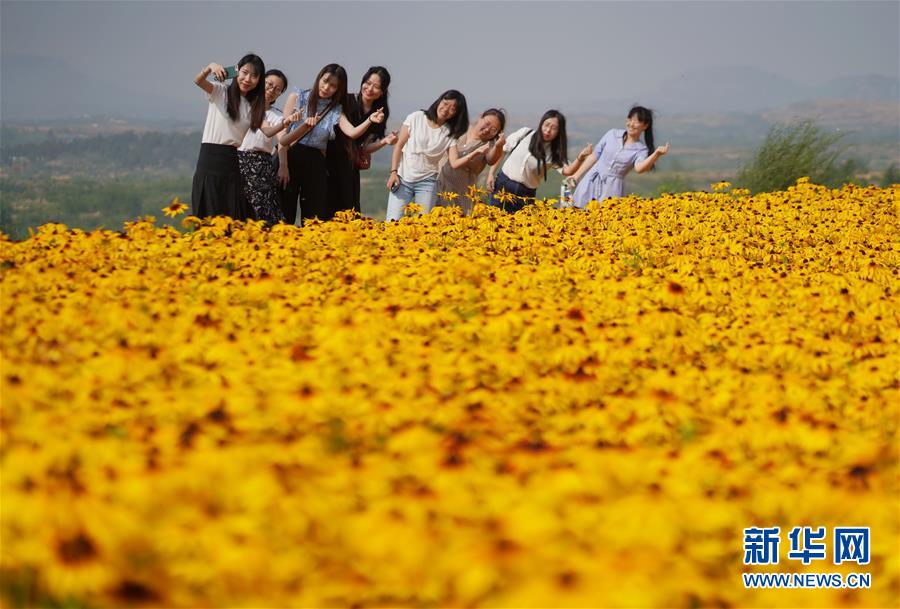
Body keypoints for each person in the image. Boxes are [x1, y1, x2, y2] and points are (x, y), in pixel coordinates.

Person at [278, 64, 385, 225]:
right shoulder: (297, 97)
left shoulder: (335, 109)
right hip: (290, 158)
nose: (326, 87)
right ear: (319, 78)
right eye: (325, 81)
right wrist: (283, 164)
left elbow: (352, 132)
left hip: (316, 163)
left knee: (313, 217)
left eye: (333, 85)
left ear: (338, 89)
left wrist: (370, 120)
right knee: (284, 214)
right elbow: (283, 137)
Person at [191, 54, 268, 220]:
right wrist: (211, 66)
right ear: (237, 71)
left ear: (259, 80)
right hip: (209, 158)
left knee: (232, 216)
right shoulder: (221, 91)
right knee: (207, 215)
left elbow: (269, 131)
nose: (248, 79)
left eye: (254, 76)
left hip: (232, 161)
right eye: (245, 72)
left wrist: (288, 123)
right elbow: (198, 81)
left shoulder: (253, 106)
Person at [385, 90, 469, 221]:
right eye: (445, 103)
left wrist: (476, 153)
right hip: (402, 178)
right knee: (392, 221)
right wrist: (393, 172)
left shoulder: (450, 134)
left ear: (456, 114)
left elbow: (454, 163)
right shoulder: (416, 117)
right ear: (440, 100)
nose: (446, 109)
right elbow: (399, 145)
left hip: (427, 182)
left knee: (423, 224)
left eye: (452, 109)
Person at [486, 110, 592, 213]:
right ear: (541, 123)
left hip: (524, 195)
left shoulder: (554, 153)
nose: (548, 130)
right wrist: (491, 173)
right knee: (493, 221)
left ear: (559, 132)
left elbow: (568, 171)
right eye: (546, 124)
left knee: (517, 228)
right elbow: (502, 151)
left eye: (553, 128)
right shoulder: (525, 133)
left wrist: (581, 156)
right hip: (502, 185)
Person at [326, 67, 398, 217]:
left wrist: (385, 141)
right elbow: (351, 133)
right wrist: (369, 120)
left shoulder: (380, 113)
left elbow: (365, 148)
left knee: (349, 211)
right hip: (330, 160)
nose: (369, 88)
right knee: (328, 209)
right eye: (368, 82)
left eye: (376, 86)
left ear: (382, 92)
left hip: (350, 166)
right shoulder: (346, 101)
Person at [569, 106, 670, 207]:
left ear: (645, 126)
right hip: (591, 181)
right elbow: (595, 156)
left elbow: (639, 168)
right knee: (579, 214)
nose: (631, 124)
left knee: (607, 218)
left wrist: (656, 155)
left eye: (637, 121)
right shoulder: (612, 134)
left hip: (612, 189)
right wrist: (576, 176)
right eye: (630, 119)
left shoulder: (641, 149)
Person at [237, 69, 298, 224]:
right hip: (235, 160)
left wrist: (283, 165)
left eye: (277, 89)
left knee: (262, 214)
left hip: (260, 166)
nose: (272, 91)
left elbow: (282, 141)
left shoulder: (276, 116)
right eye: (269, 85)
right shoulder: (241, 105)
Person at [435, 109, 507, 215]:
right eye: (487, 123)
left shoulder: (488, 146)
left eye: (493, 130)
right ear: (481, 115)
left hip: (461, 197)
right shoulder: (461, 128)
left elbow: (491, 160)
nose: (487, 130)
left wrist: (499, 145)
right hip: (437, 185)